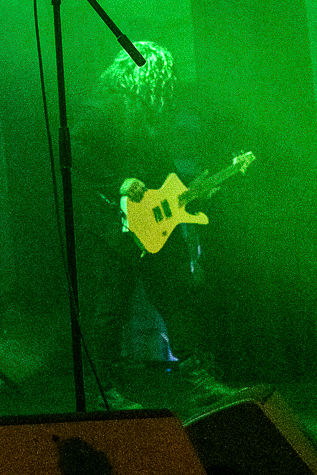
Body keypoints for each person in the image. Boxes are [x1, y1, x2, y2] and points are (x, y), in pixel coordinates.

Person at [71, 42, 232, 409]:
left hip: (157, 221)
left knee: (176, 296)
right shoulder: (102, 108)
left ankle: (197, 378)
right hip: (117, 225)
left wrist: (193, 193)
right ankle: (100, 390)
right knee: (110, 307)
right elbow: (75, 151)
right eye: (163, 76)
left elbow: (163, 176)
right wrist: (117, 182)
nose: (168, 84)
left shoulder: (149, 115)